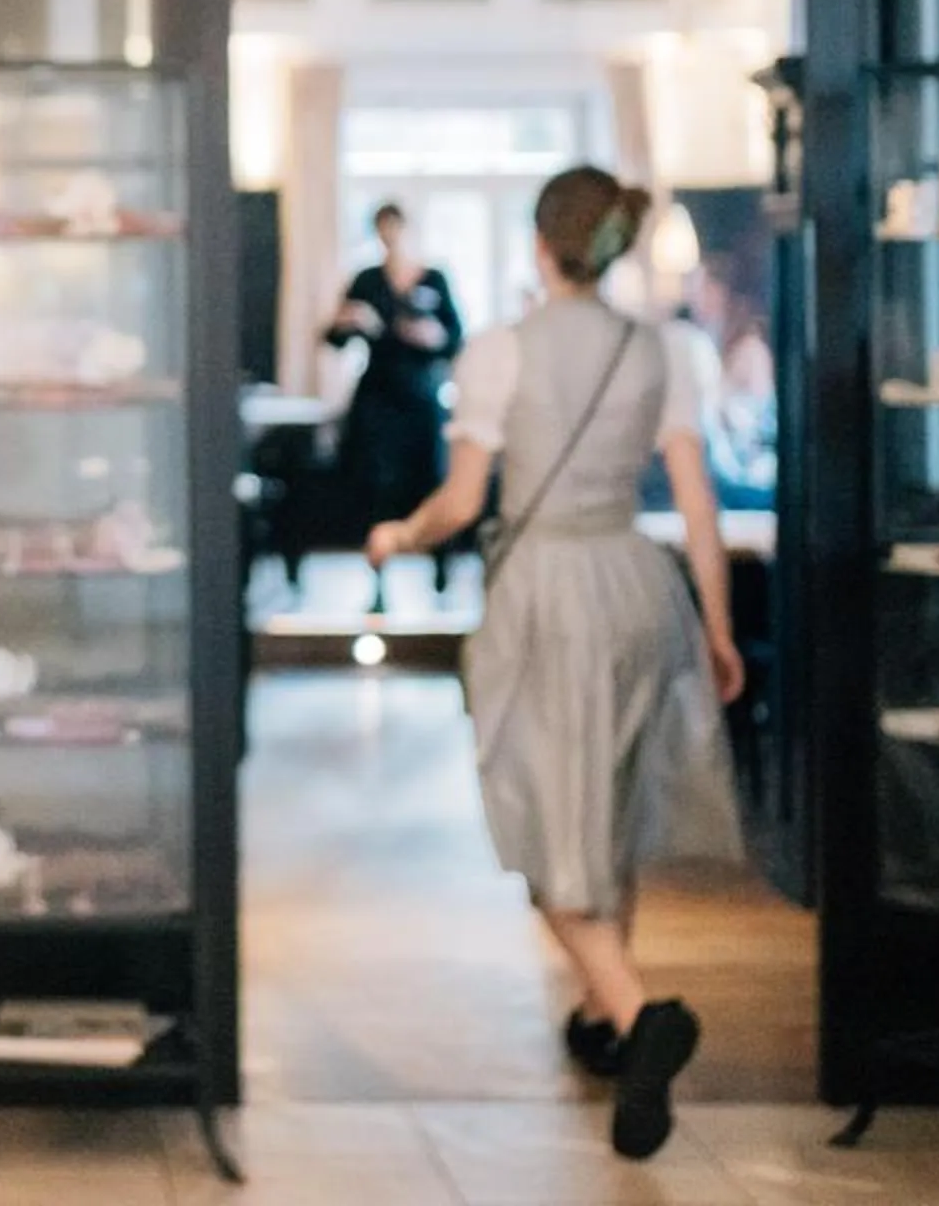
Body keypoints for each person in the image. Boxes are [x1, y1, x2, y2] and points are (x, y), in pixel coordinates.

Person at [369, 166, 746, 1163]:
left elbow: (459, 502)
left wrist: (398, 536)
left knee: (544, 813)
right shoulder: (661, 349)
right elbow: (698, 506)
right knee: (608, 807)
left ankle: (639, 1007)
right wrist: (718, 626)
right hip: (639, 584)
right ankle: (602, 1019)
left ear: (541, 247)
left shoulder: (501, 352)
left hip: (546, 593)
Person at [325, 204, 464, 584]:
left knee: (431, 480)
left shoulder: (433, 278)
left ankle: (441, 570)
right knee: (377, 488)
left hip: (421, 398)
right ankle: (377, 574)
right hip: (379, 399)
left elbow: (455, 338)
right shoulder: (367, 280)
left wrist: (432, 337)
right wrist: (347, 323)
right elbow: (334, 338)